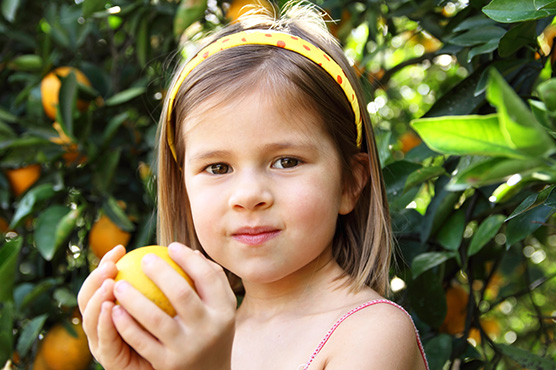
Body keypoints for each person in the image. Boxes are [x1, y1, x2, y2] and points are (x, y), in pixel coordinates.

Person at [78, 2, 429, 369]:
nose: (248, 196)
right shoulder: (201, 335)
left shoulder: (373, 334)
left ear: (350, 184)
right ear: (183, 192)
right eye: (217, 167)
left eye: (286, 162)